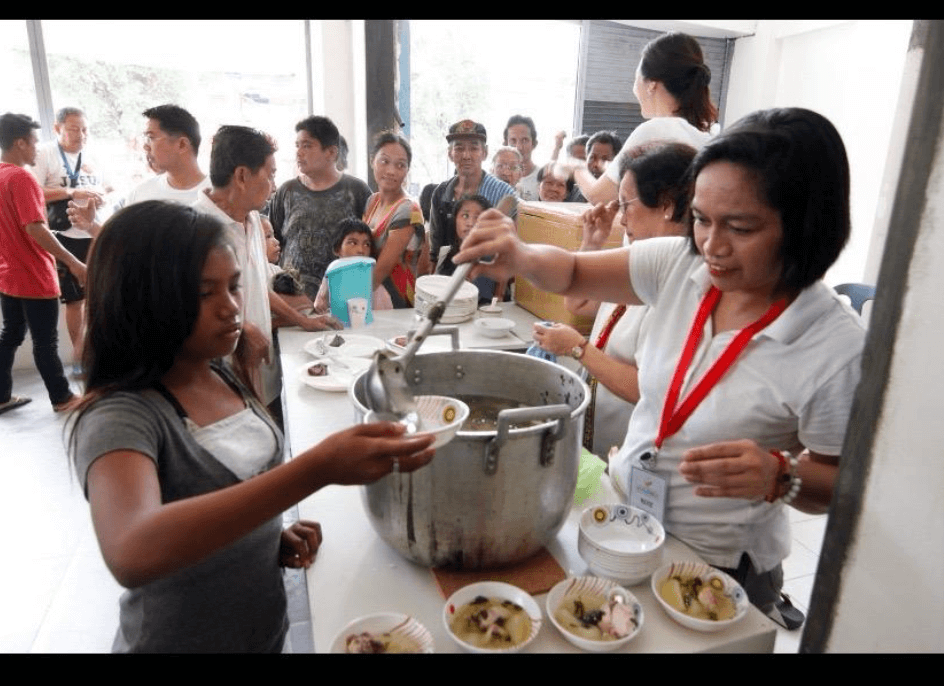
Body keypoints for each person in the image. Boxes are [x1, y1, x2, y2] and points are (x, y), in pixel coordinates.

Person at [457, 108, 865, 629]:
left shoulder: (833, 346)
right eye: (701, 218)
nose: (712, 247)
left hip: (714, 564)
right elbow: (577, 271)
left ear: (807, 223)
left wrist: (777, 476)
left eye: (740, 227)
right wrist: (521, 255)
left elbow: (844, 483)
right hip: (626, 519)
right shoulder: (681, 264)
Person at [67, 201, 435, 652]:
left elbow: (222, 487)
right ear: (143, 298)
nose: (230, 308)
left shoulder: (215, 372)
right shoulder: (121, 416)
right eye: (205, 293)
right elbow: (133, 549)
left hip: (260, 634)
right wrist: (315, 469)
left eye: (235, 286)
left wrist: (263, 536)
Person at [531, 142, 697, 458]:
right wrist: (591, 242)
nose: (621, 220)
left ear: (665, 204)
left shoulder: (683, 282)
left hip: (637, 450)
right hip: (600, 443)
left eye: (626, 205)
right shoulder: (636, 261)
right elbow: (578, 305)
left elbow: (644, 389)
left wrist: (577, 348)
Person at [193, 125, 339, 406]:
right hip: (220, 378)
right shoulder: (195, 229)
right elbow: (186, 307)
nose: (274, 185)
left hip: (262, 371)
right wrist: (242, 327)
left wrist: (302, 320)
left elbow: (258, 285)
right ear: (242, 176)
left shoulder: (253, 221)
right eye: (270, 174)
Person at [570, 32, 717, 205]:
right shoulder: (708, 133)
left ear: (651, 84)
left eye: (636, 79)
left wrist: (575, 167)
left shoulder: (657, 130)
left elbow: (598, 196)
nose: (634, 89)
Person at [0, 113, 84, 414]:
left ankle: (1, 395)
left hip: (7, 275)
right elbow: (35, 227)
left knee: (10, 335)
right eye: (34, 142)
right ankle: (62, 398)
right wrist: (73, 262)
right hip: (33, 274)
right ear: (20, 142)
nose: (37, 149)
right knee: (45, 341)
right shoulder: (21, 178)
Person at [29, 107, 110, 376]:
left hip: (95, 232)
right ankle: (81, 357)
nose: (81, 135)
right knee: (75, 300)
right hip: (64, 237)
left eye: (85, 129)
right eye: (74, 129)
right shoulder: (44, 154)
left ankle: (103, 352)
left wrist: (100, 195)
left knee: (102, 296)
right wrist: (69, 190)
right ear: (58, 129)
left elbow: (108, 186)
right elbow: (34, 191)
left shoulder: (93, 155)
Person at [268, 116, 372, 300]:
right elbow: (272, 243)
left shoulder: (357, 191)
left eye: (307, 146)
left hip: (343, 298)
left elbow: (369, 245)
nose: (299, 153)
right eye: (297, 145)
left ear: (331, 152)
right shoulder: (287, 191)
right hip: (292, 301)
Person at [68, 104, 210, 233]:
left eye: (151, 137)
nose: (145, 146)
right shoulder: (140, 194)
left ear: (182, 145)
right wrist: (90, 226)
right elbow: (121, 243)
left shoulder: (219, 197)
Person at [427, 119, 515, 273]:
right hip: (448, 277)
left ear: (485, 153)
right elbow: (435, 250)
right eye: (459, 148)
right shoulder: (441, 194)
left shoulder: (504, 194)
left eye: (474, 148)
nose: (466, 155)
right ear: (450, 154)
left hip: (487, 279)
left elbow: (512, 249)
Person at [362, 131, 427, 308]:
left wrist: (349, 298)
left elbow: (382, 269)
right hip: (371, 295)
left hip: (397, 299)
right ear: (372, 160)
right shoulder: (372, 201)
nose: (391, 171)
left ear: (407, 170)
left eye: (400, 165)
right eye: (384, 161)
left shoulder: (408, 209)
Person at [313, 217, 394, 315]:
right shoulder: (333, 273)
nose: (361, 250)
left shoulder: (372, 276)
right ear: (337, 249)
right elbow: (320, 301)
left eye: (366, 244)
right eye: (352, 243)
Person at [436, 194, 505, 304]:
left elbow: (480, 303)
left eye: (478, 218)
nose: (470, 224)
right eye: (465, 216)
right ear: (455, 220)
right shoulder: (446, 253)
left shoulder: (488, 259)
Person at [504, 114, 540, 200]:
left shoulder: (543, 180)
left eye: (524, 140)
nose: (519, 147)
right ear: (505, 145)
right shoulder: (498, 179)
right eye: (513, 140)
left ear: (534, 144)